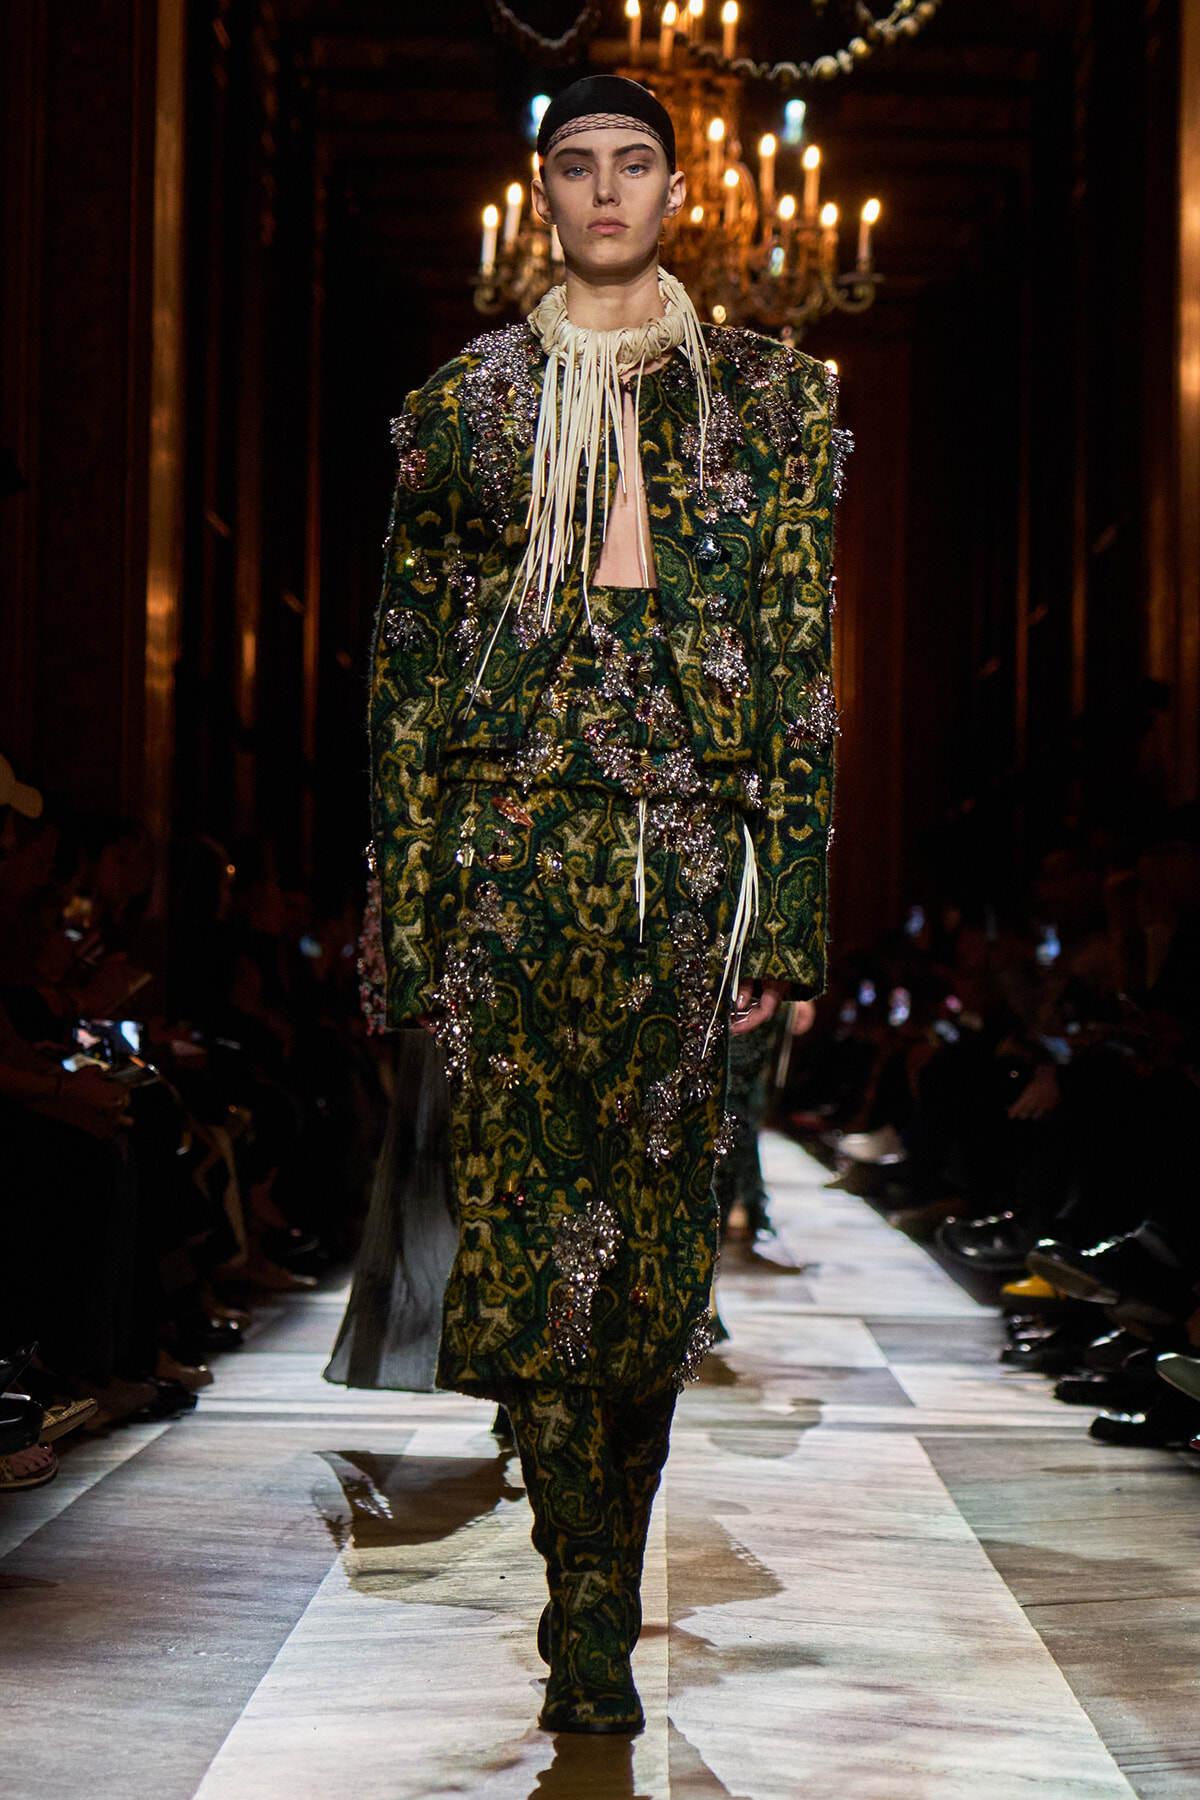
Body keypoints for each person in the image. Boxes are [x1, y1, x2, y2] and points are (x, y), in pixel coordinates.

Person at [350, 73, 842, 1735]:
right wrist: (405, 915)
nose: (608, 190)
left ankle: (603, 1588)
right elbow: (404, 684)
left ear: (677, 187)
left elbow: (797, 669)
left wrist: (792, 911)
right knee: (525, 1250)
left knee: (639, 1263)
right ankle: (582, 1607)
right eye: (579, 165)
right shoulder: (465, 409)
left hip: (685, 861)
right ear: (541, 190)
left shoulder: (766, 405)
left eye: (637, 163)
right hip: (508, 861)